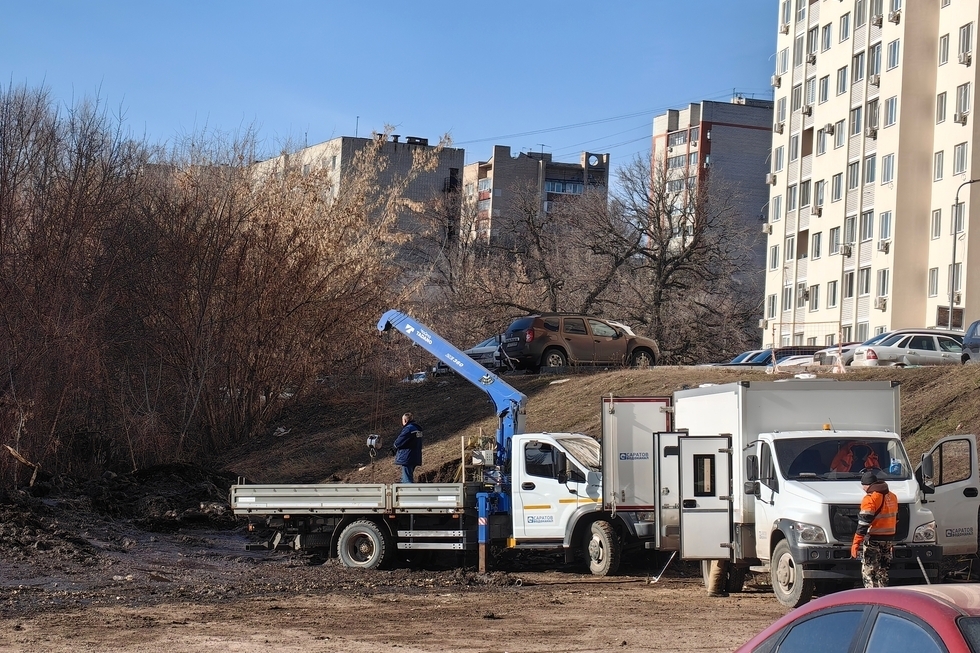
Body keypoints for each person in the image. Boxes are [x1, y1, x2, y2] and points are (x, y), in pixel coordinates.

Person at [850, 471, 898, 588]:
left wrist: (856, 543)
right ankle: (884, 596)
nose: (863, 489)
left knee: (870, 572)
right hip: (888, 540)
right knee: (883, 572)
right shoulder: (892, 496)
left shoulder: (870, 499)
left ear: (867, 485)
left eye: (863, 486)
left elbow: (863, 523)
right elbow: (896, 518)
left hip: (873, 540)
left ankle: (871, 596)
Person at [391, 412, 422, 483]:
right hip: (415, 456)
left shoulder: (408, 429)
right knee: (405, 478)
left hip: (407, 456)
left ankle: (409, 489)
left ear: (405, 420)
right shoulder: (417, 429)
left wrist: (394, 447)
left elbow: (400, 440)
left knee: (407, 480)